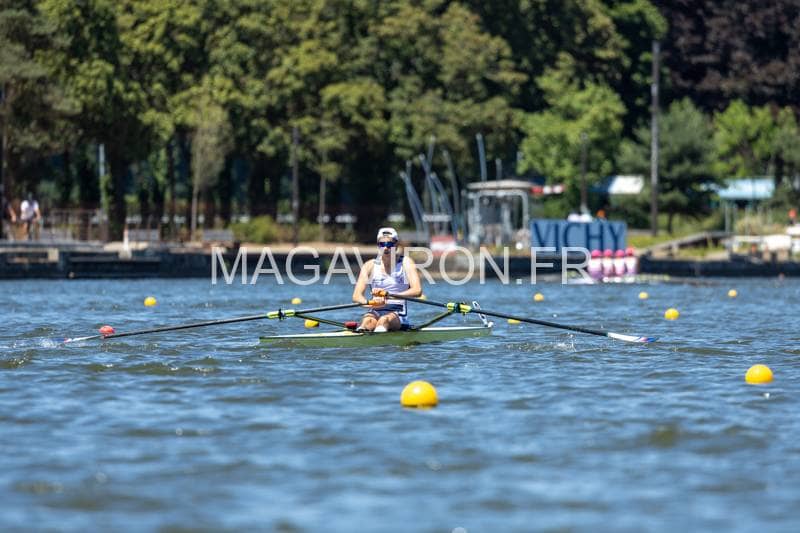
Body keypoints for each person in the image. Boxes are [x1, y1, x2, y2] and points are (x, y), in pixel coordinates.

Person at [352, 227, 422, 332]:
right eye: (382, 244)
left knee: (384, 320)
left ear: (396, 245)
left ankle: (380, 335)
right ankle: (363, 332)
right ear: (378, 246)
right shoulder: (369, 265)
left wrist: (389, 295)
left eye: (389, 244)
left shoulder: (406, 262)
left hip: (398, 311)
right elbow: (356, 296)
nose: (385, 248)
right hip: (375, 309)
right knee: (367, 322)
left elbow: (417, 290)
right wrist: (370, 303)